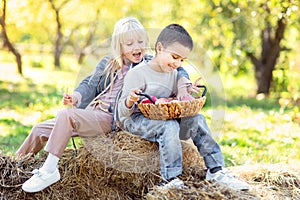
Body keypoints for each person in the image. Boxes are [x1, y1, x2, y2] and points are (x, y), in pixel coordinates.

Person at [20, 17, 191, 193]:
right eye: (129, 43)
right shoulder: (109, 64)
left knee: (66, 116)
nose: (136, 47)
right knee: (39, 130)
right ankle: (12, 168)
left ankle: (49, 169)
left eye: (140, 41)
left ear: (147, 41)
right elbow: (90, 84)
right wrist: (76, 97)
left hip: (110, 117)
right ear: (119, 46)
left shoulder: (149, 64)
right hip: (92, 113)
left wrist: (184, 87)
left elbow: (179, 70)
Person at [117, 24, 250, 191]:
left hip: (164, 115)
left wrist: (185, 92)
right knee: (169, 126)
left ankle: (216, 170)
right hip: (135, 119)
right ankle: (169, 179)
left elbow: (174, 100)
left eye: (182, 60)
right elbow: (122, 113)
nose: (177, 63)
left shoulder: (174, 74)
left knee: (197, 119)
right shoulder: (138, 74)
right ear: (159, 48)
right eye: (174, 57)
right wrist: (130, 99)